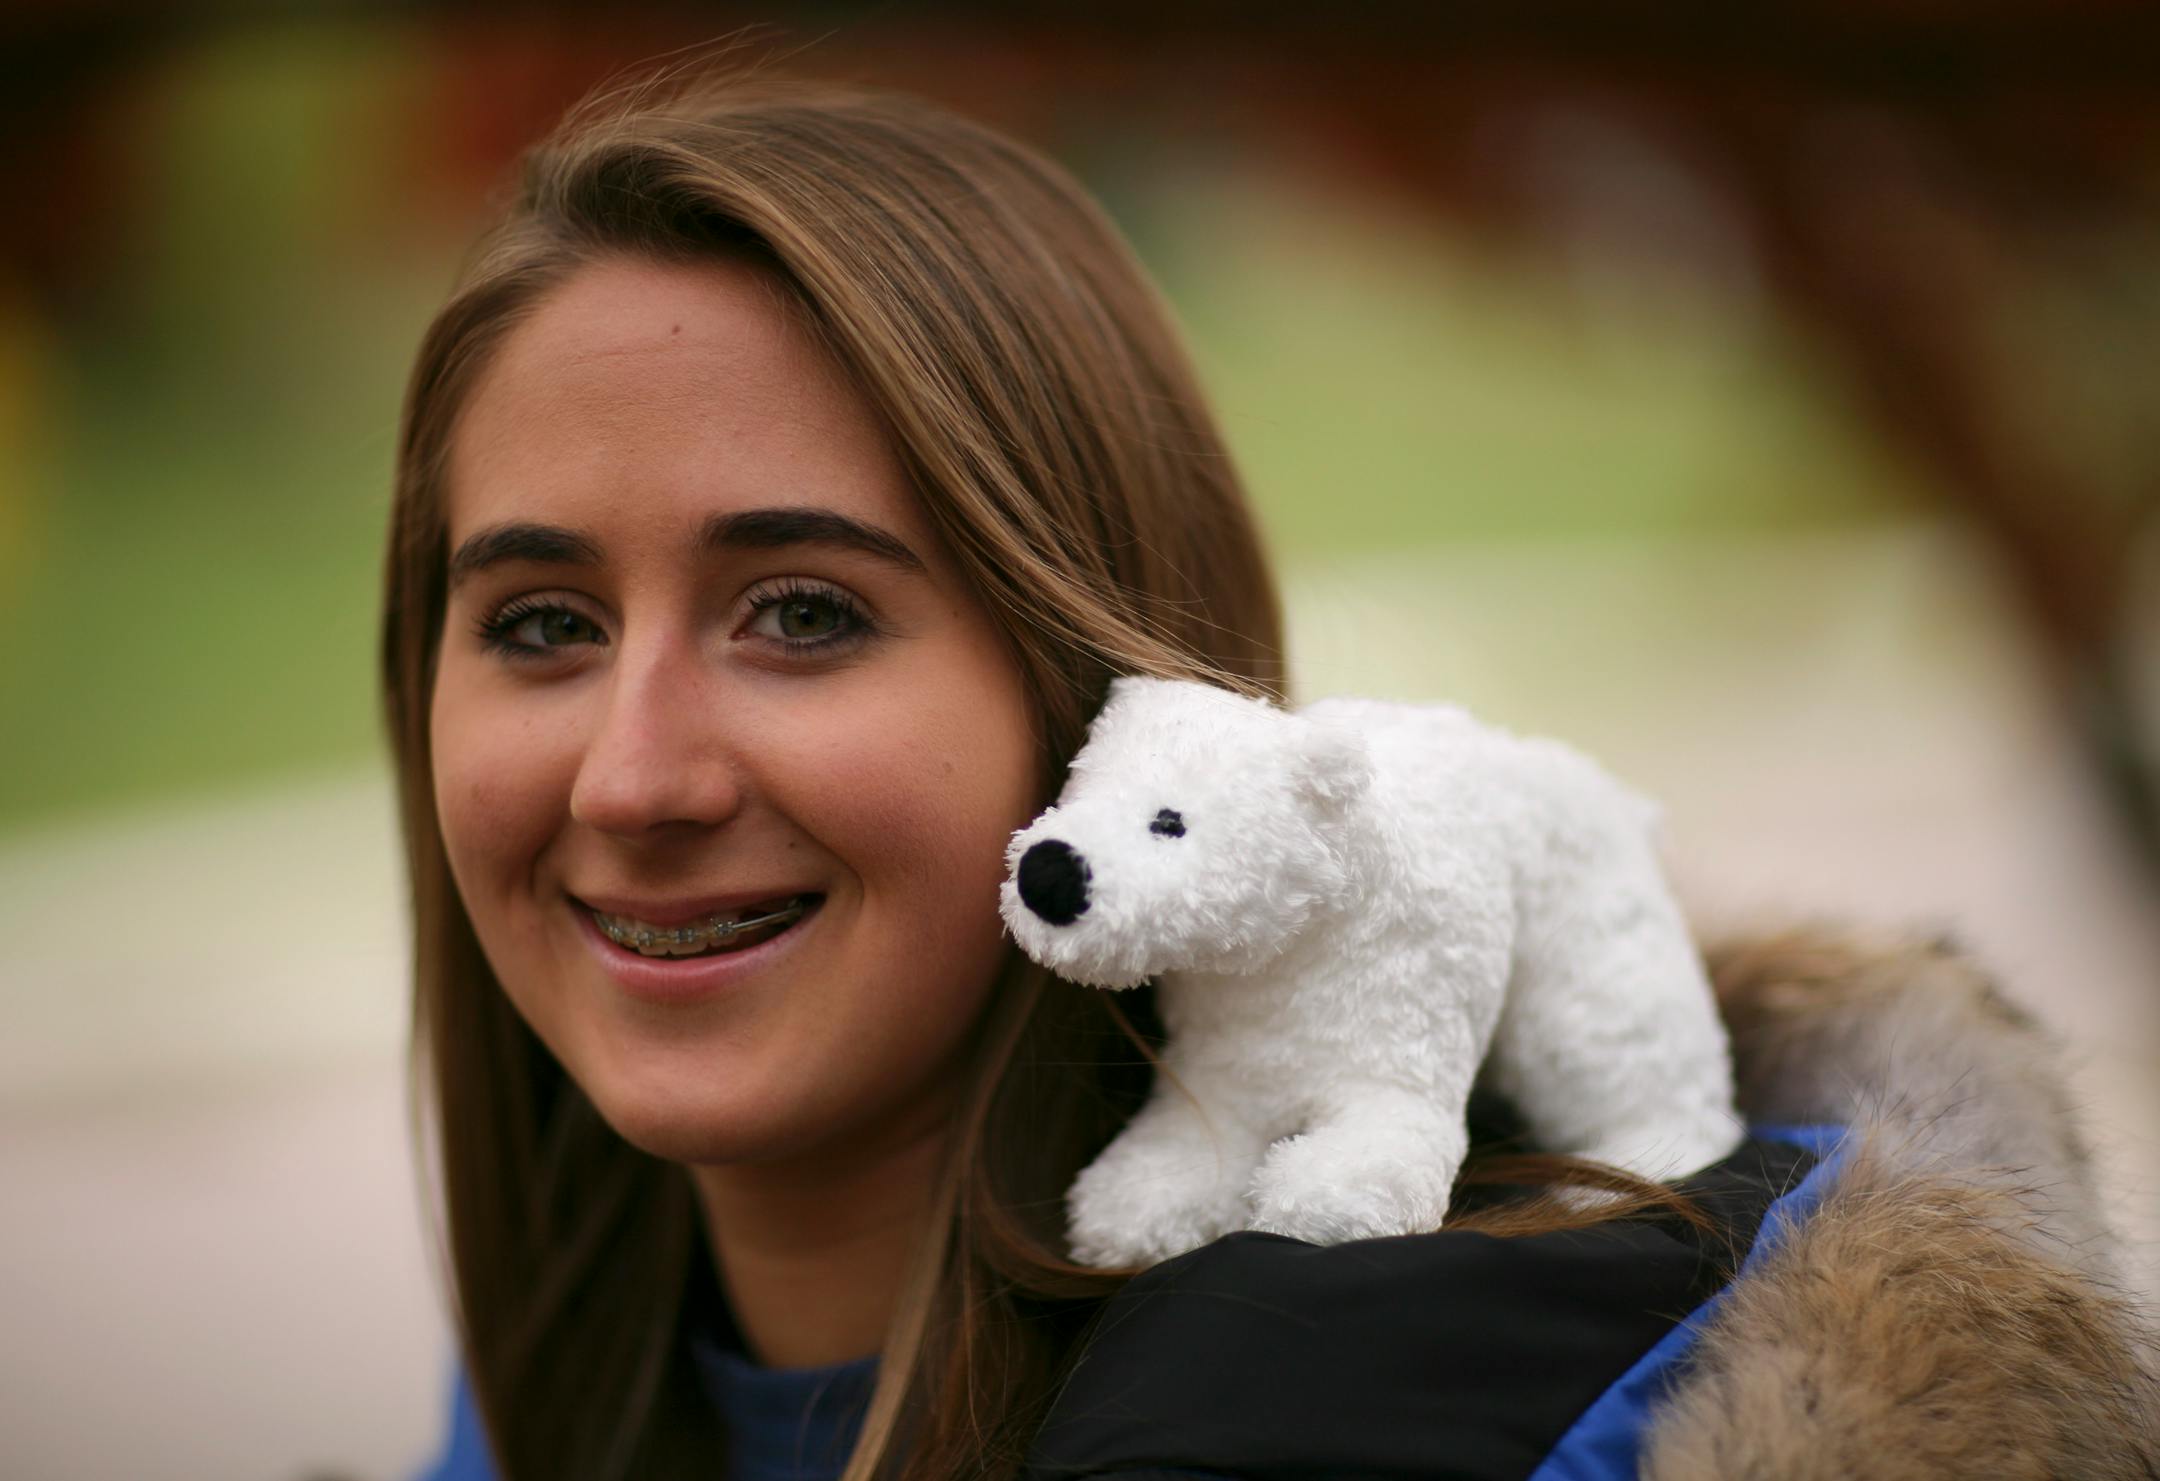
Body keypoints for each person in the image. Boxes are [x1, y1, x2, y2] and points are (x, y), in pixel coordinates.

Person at [383, 68, 2159, 1481]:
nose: (633, 776)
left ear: (1103, 698)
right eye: (541, 624)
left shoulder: (1519, 1422)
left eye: (799, 610)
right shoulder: (545, 1398)